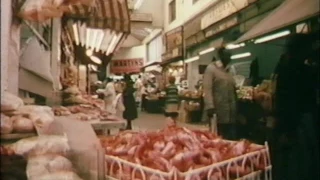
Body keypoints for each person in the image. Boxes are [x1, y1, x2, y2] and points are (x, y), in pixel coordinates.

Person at [270, 33, 319, 180]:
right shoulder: (300, 70)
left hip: (292, 124)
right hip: (298, 124)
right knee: (300, 164)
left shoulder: (285, 68)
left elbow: (281, 101)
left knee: (291, 164)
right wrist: (288, 130)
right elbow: (290, 102)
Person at [203, 47, 237, 140]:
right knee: (217, 137)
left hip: (231, 111)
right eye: (227, 55)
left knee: (230, 138)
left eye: (230, 55)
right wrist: (210, 106)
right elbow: (207, 88)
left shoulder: (230, 70)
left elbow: (233, 88)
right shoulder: (211, 69)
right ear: (221, 56)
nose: (229, 57)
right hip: (217, 111)